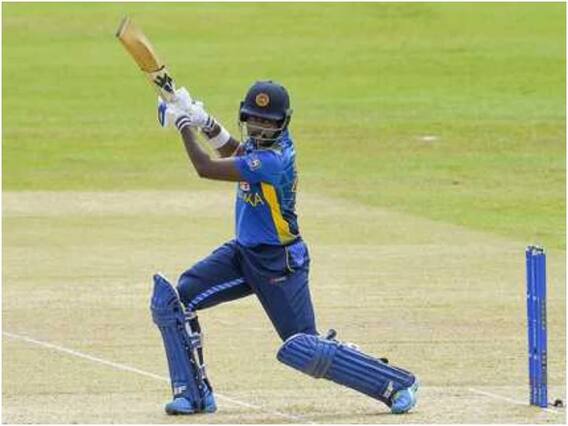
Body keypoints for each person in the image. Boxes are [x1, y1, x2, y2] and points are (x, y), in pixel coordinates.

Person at [151, 80, 419, 416]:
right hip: (243, 254)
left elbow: (206, 168)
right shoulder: (258, 148)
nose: (259, 128)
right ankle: (194, 395)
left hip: (280, 263)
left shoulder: (275, 159)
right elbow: (235, 153)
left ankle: (394, 383)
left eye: (268, 122)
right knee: (179, 299)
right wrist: (204, 121)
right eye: (253, 120)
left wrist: (183, 123)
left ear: (283, 122)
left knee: (305, 348)